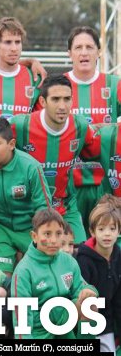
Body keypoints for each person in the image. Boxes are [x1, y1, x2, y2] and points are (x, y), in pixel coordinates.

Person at [11, 74, 101, 243]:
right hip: (29, 209)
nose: (62, 106)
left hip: (65, 207)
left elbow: (96, 150)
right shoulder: (21, 125)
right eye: (55, 99)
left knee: (78, 252)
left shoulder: (80, 126)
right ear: (43, 102)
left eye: (67, 99)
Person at [11, 208, 97, 356]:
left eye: (58, 234)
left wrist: (88, 291)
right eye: (47, 234)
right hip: (38, 331)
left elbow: (82, 287)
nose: (54, 240)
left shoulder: (68, 261)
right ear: (34, 236)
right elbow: (21, 318)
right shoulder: (23, 271)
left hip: (64, 323)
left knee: (89, 303)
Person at [0, 117, 52, 275]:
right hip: (1, 229)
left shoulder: (31, 167)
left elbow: (44, 209)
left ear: (11, 144)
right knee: (1, 279)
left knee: (38, 275)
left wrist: (42, 239)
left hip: (29, 228)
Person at [65, 26, 121, 226]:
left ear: (99, 51)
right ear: (69, 53)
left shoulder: (115, 84)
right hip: (68, 185)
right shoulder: (58, 84)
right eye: (78, 47)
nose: (84, 52)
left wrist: (108, 127)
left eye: (89, 47)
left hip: (106, 185)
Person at [76, 203, 121, 356]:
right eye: (101, 229)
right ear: (92, 231)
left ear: (119, 231)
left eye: (112, 228)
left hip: (106, 322)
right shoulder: (84, 259)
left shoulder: (118, 255)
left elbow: (118, 299)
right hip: (86, 320)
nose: (107, 234)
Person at [0, 16, 43, 119]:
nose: (14, 48)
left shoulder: (36, 80)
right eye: (8, 42)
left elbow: (39, 122)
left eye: (18, 42)